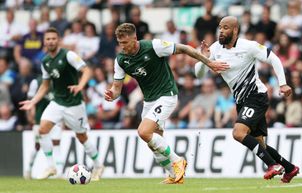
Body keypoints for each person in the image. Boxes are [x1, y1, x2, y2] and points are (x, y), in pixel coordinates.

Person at [104, 23, 229, 184]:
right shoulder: (121, 60)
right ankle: (173, 175)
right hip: (149, 100)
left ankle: (178, 161)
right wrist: (112, 94)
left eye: (125, 42)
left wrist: (208, 62)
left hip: (166, 95)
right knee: (153, 142)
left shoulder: (153, 46)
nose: (123, 46)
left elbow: (185, 49)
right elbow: (117, 88)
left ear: (135, 38)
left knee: (143, 132)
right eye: (120, 43)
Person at [195, 16, 299, 183]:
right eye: (220, 27)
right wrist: (204, 58)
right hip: (242, 101)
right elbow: (198, 74)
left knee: (238, 133)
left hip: (256, 96)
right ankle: (289, 168)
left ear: (235, 30)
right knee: (260, 144)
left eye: (226, 27)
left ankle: (272, 165)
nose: (221, 30)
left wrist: (283, 84)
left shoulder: (248, 46)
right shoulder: (215, 48)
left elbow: (274, 58)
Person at [20, 27, 104, 181]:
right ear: (44, 42)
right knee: (43, 129)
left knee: (82, 137)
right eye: (48, 39)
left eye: (53, 38)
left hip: (74, 103)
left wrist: (80, 86)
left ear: (58, 40)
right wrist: (33, 101)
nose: (51, 41)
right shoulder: (45, 61)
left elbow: (87, 71)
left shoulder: (68, 55)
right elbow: (45, 86)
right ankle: (51, 166)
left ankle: (98, 165)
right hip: (57, 102)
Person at [24, 75, 63, 179]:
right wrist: (30, 116)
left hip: (55, 120)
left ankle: (59, 173)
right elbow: (30, 99)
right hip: (39, 120)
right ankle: (28, 169)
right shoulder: (36, 82)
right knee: (37, 146)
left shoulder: (59, 81)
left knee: (56, 144)